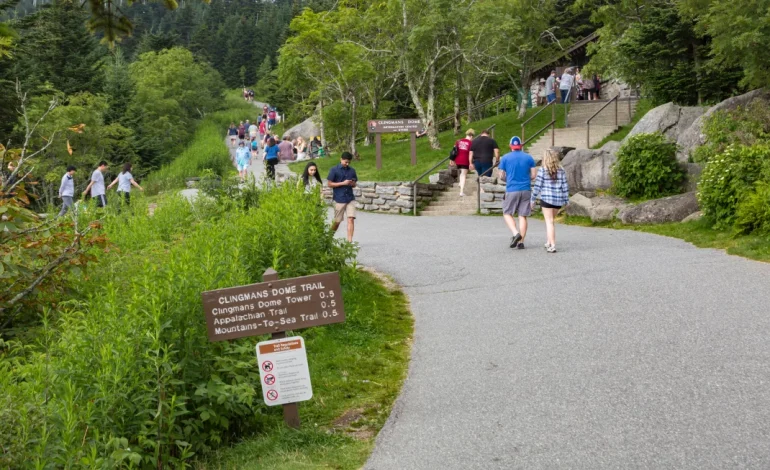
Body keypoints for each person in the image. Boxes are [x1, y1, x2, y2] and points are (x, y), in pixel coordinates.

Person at [497, 136, 536, 249]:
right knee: (522, 215)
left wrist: (507, 179)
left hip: (512, 189)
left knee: (507, 213)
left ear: (510, 146)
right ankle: (521, 242)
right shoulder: (529, 158)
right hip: (526, 190)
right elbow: (533, 175)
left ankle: (515, 233)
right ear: (521, 146)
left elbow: (501, 175)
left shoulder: (505, 158)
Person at [531, 149, 569, 253]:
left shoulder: (543, 170)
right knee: (551, 221)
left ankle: (552, 245)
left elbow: (538, 186)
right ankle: (548, 241)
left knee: (549, 222)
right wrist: (566, 200)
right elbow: (565, 186)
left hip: (547, 199)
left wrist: (533, 199)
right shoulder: (561, 170)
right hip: (558, 200)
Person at [327, 152, 357, 243]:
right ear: (341, 159)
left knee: (351, 219)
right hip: (339, 199)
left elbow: (355, 184)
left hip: (350, 198)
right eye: (346, 162)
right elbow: (329, 184)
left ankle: (350, 242)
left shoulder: (352, 170)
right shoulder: (334, 170)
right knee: (337, 222)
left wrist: (352, 183)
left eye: (349, 162)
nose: (347, 164)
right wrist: (343, 183)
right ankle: (328, 238)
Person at [453, 128, 474, 196]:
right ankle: (461, 191)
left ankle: (460, 183)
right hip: (465, 160)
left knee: (462, 173)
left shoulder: (458, 141)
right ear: (471, 136)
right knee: (463, 174)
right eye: (472, 137)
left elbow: (453, 151)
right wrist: (471, 163)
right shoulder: (470, 143)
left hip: (457, 160)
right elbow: (471, 153)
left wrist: (452, 160)